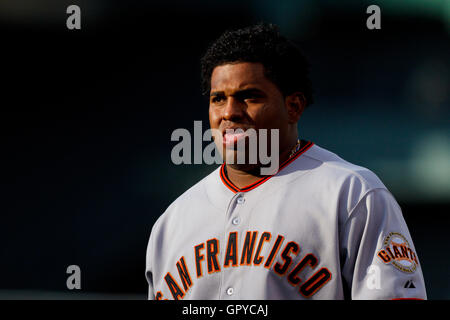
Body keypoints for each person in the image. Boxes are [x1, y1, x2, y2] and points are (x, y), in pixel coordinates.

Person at [145, 23, 426, 300]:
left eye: (249, 97)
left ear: (293, 106)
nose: (229, 112)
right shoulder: (172, 222)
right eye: (219, 99)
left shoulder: (351, 193)